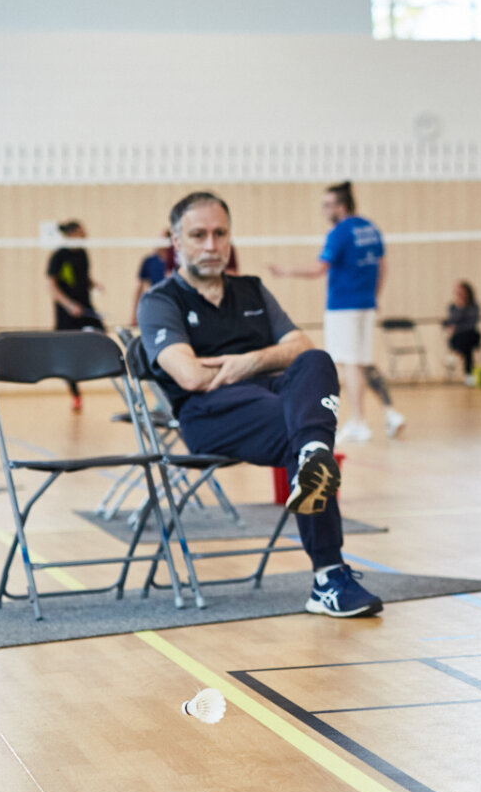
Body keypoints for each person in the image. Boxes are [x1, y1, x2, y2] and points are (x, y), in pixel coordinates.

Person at [139, 190, 382, 617]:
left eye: (220, 234)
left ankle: (312, 457)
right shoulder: (160, 302)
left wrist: (247, 361)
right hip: (209, 413)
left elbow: (302, 346)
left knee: (316, 362)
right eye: (198, 235)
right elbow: (191, 376)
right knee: (299, 427)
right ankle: (329, 576)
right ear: (176, 242)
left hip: (271, 397)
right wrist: (265, 360)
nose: (211, 245)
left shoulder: (251, 289)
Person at [274, 182, 404, 442]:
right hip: (366, 305)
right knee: (361, 362)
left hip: (344, 306)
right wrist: (375, 296)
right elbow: (382, 266)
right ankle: (390, 413)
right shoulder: (370, 228)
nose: (324, 211)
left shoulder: (339, 232)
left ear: (341, 207)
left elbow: (318, 269)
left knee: (350, 363)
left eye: (328, 205)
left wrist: (287, 271)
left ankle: (358, 421)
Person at [46, 220, 103, 413]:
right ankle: (75, 395)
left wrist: (93, 284)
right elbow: (51, 284)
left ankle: (85, 362)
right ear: (71, 234)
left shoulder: (83, 253)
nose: (85, 236)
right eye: (81, 233)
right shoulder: (59, 256)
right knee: (66, 356)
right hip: (67, 313)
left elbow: (83, 276)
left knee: (101, 332)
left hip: (85, 307)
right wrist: (68, 304)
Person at [132, 228, 174, 324]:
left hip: (171, 306)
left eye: (161, 239)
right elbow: (139, 288)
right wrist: (135, 314)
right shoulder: (149, 260)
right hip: (156, 305)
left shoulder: (175, 262)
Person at [443, 281, 481, 384]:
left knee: (466, 341)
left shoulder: (473, 307)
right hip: (458, 337)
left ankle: (454, 357)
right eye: (458, 292)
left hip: (471, 335)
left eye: (462, 291)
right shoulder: (452, 307)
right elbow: (450, 322)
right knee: (466, 348)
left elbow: (471, 324)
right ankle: (469, 375)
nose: (459, 294)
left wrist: (456, 327)